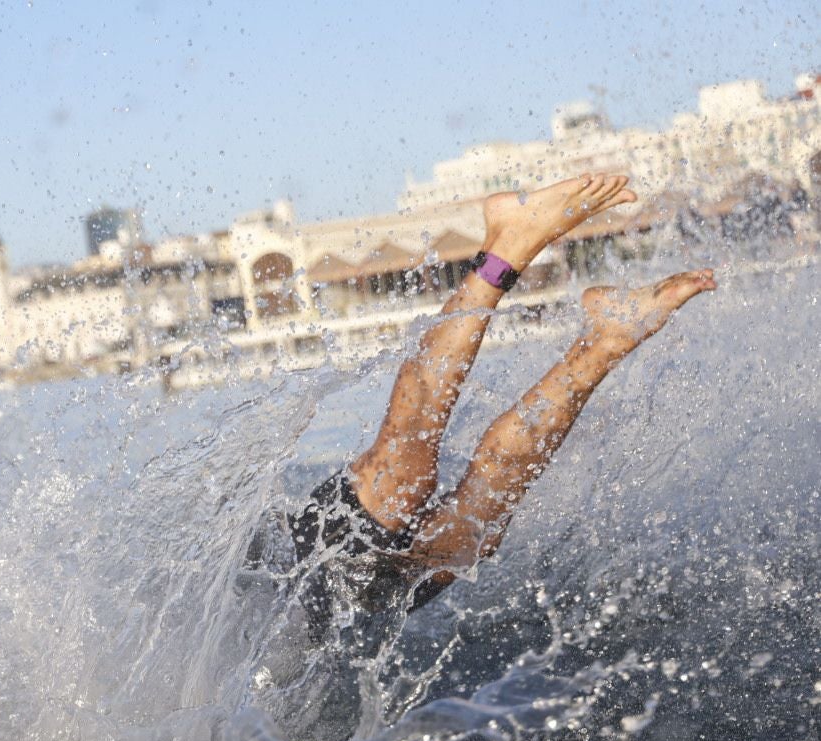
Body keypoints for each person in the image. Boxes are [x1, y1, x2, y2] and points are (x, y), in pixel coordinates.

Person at [250, 174, 718, 647]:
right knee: (468, 537)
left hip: (273, 581)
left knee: (398, 477)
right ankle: (605, 338)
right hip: (313, 625)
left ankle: (510, 246)